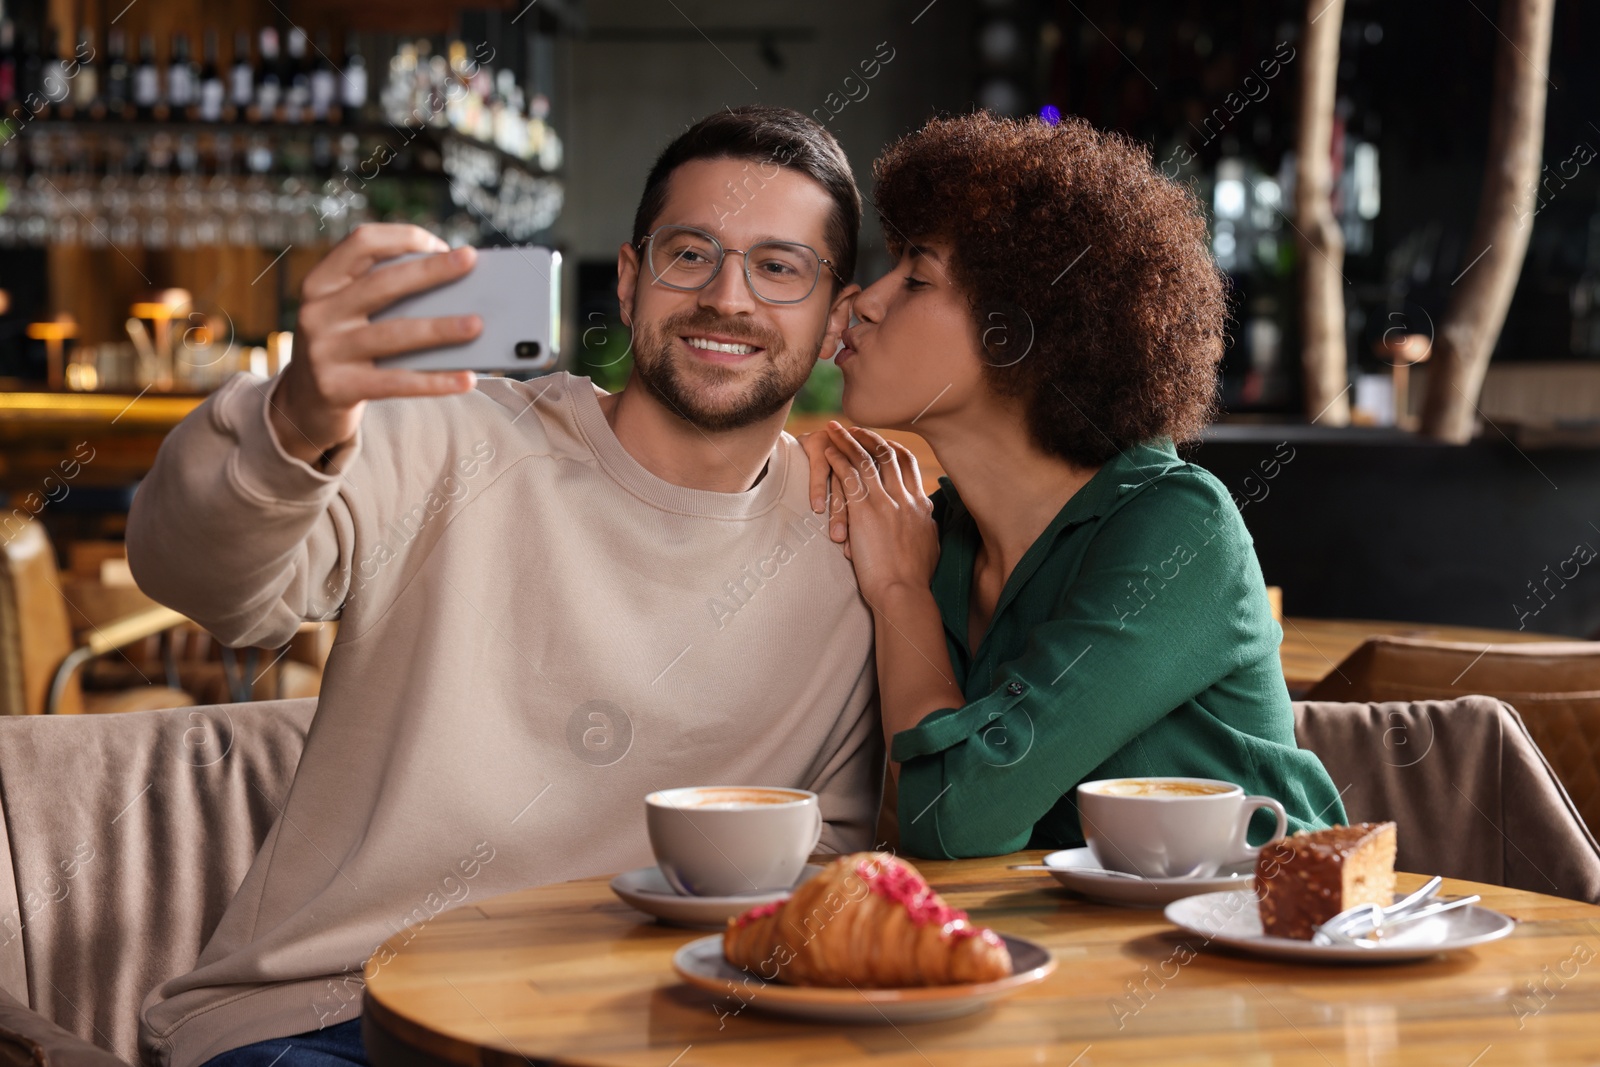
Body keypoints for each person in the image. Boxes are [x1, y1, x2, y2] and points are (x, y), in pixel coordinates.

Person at [128, 106, 881, 1067]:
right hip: (327, 1019)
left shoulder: (851, 548)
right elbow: (196, 575)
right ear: (629, 278)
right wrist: (296, 415)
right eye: (691, 253)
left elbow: (824, 868)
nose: (727, 297)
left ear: (834, 322)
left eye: (779, 267)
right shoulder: (445, 433)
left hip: (638, 1029)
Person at [802, 111, 1345, 859]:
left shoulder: (1179, 526)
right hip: (1067, 962)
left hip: (1273, 949)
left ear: (1021, 333)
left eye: (917, 277)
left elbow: (956, 821)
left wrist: (900, 594)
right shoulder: (940, 533)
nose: (864, 298)